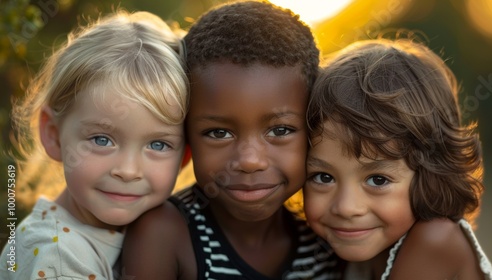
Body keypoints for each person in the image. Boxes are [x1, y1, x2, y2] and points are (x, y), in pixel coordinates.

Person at [122, 1, 346, 279]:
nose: (250, 161)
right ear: (185, 135)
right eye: (219, 133)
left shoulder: (324, 237)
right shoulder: (165, 232)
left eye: (280, 130)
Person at [0, 10, 189, 279]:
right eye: (102, 140)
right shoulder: (59, 260)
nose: (127, 170)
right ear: (54, 135)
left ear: (185, 156)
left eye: (158, 145)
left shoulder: (156, 229)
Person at [304, 38, 492, 279]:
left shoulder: (436, 239)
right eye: (324, 177)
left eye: (377, 180)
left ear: (430, 174)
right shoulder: (358, 253)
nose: (346, 207)